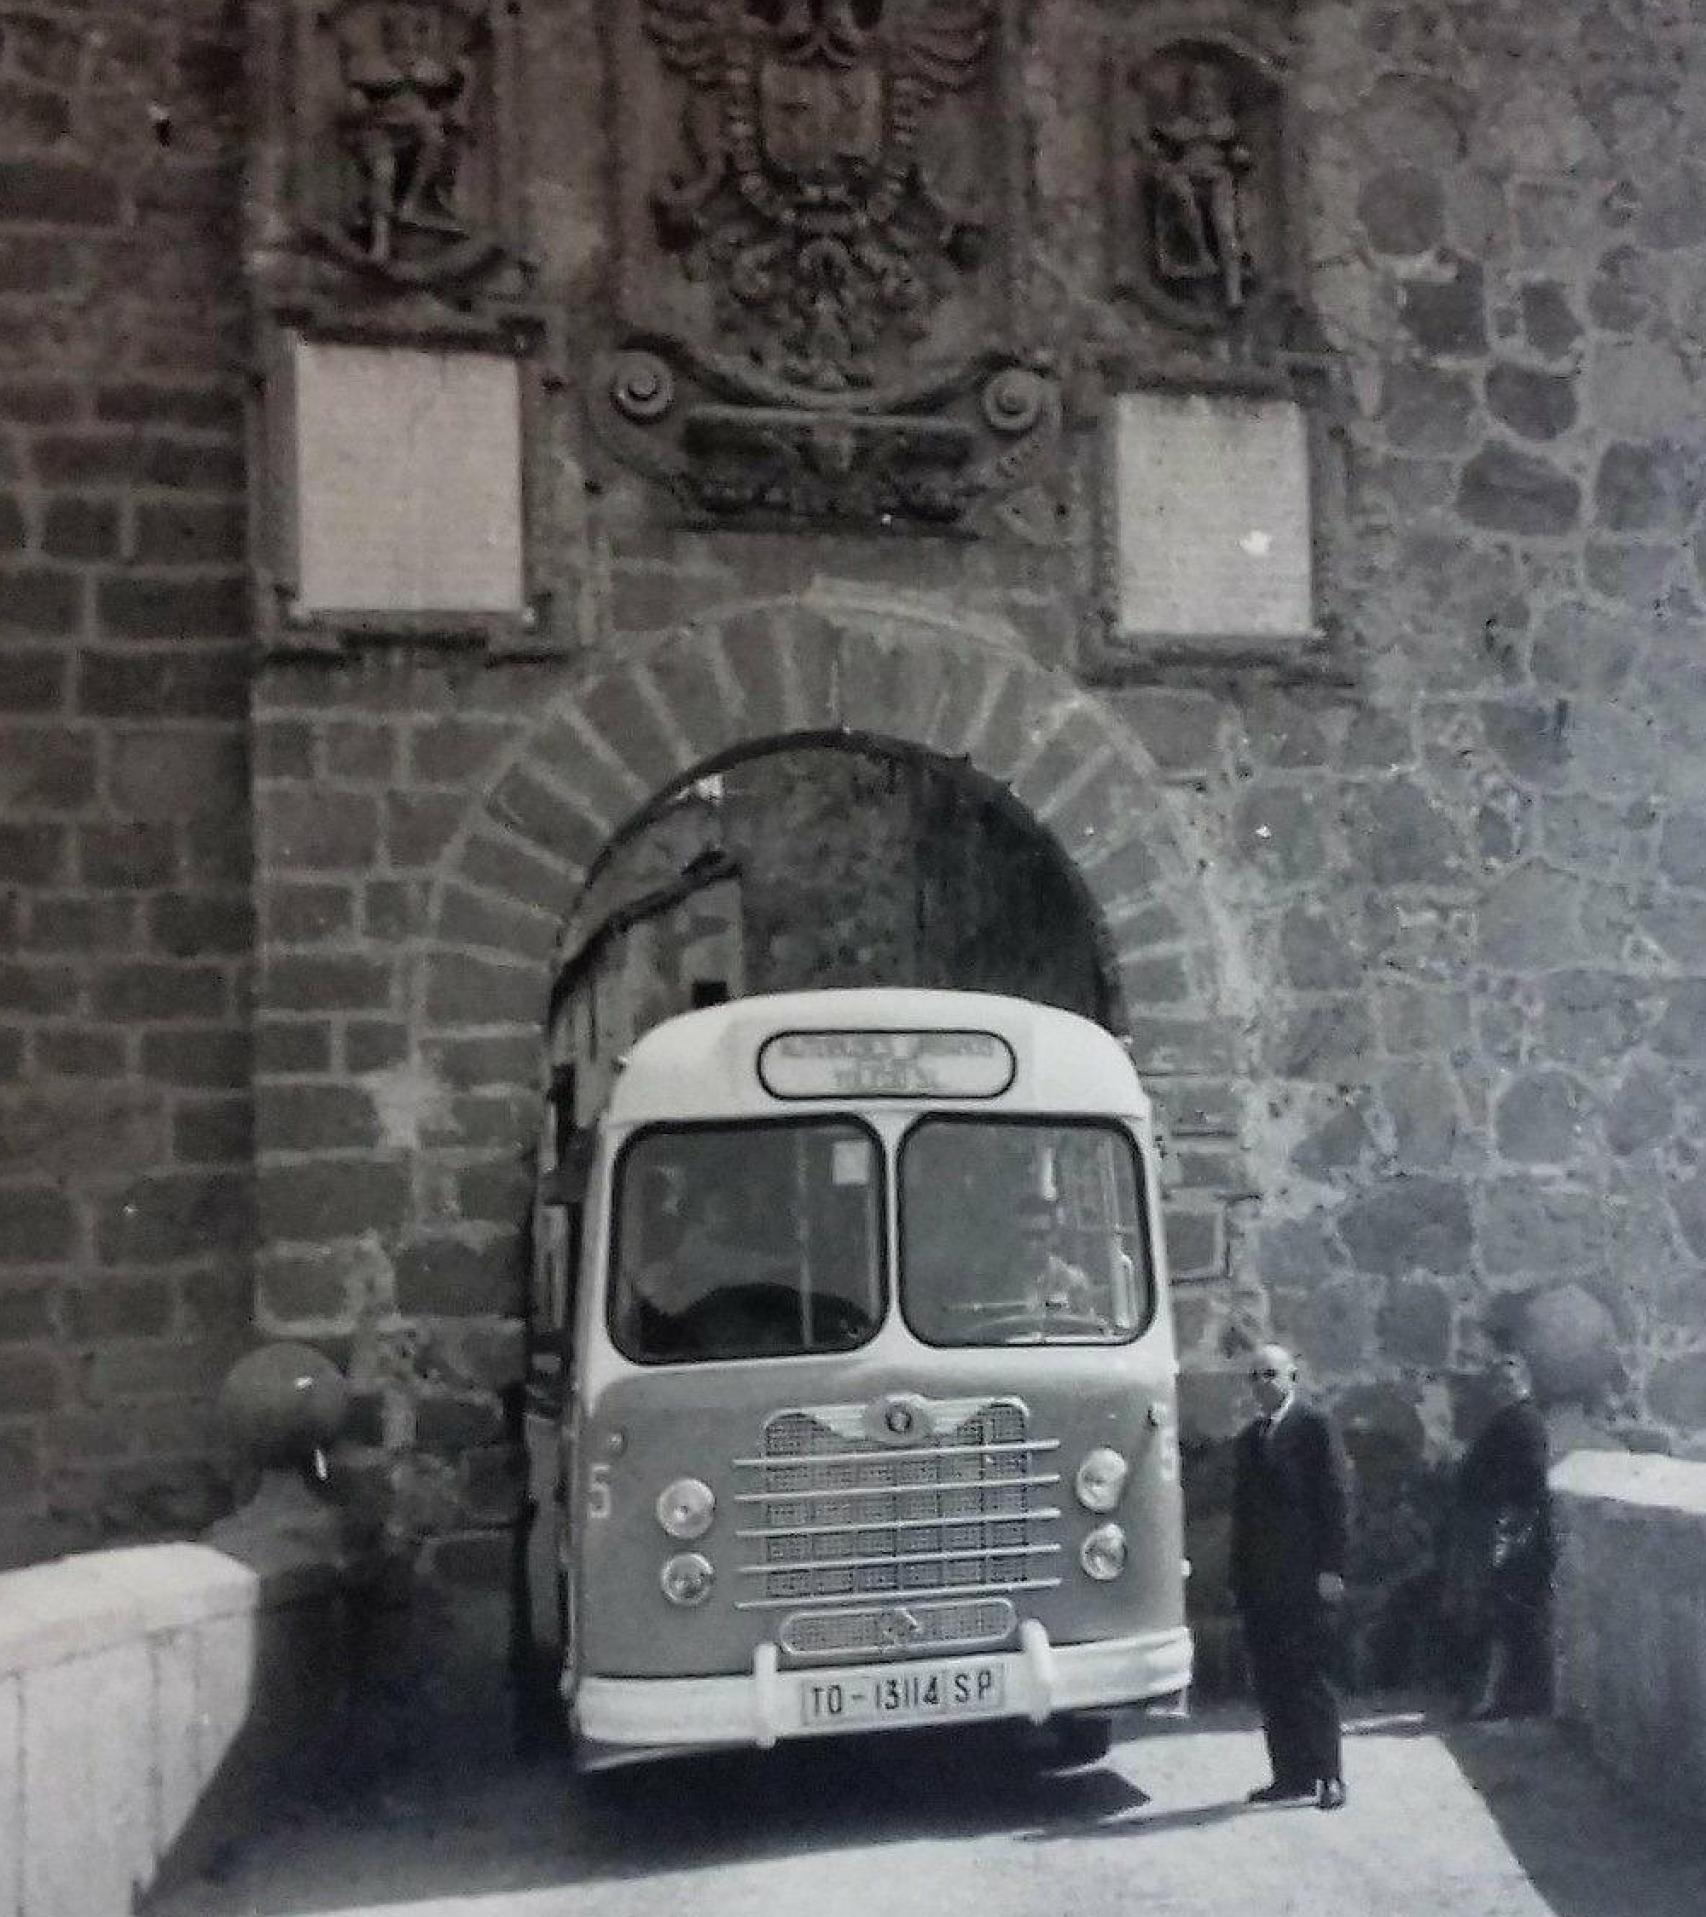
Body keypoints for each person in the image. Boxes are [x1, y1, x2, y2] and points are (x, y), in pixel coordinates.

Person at [1230, 1343, 1353, 1811]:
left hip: (1306, 1579)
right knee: (1272, 1679)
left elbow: (1336, 1500)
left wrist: (1332, 1568)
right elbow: (1242, 1519)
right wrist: (1238, 1579)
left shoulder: (1314, 1428)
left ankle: (1329, 1776)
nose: (1263, 1384)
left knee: (1312, 1677)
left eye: (1271, 1374)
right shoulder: (1248, 1440)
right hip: (1262, 1584)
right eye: (1255, 1376)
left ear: (1292, 1377)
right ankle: (1290, 1775)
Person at [1447, 1350, 1554, 1720]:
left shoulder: (1524, 1421)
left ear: (1524, 1382)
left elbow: (1528, 1479)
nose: (1503, 1388)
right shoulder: (1510, 1419)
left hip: (1513, 1530)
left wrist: (1509, 1522)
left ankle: (1518, 1698)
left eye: (1509, 1381)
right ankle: (1513, 1696)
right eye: (1498, 1382)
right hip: (1503, 1527)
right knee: (1507, 1616)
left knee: (1514, 1617)